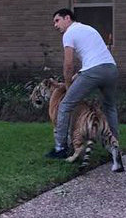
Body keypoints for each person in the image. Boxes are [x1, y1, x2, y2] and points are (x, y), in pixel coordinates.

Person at [48, 9, 121, 167]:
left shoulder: (69, 33)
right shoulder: (89, 29)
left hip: (94, 71)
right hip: (111, 69)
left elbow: (68, 65)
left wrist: (68, 85)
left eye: (57, 20)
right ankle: (114, 146)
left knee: (66, 105)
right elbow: (94, 55)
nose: (55, 25)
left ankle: (60, 148)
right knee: (110, 107)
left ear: (67, 18)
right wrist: (79, 75)